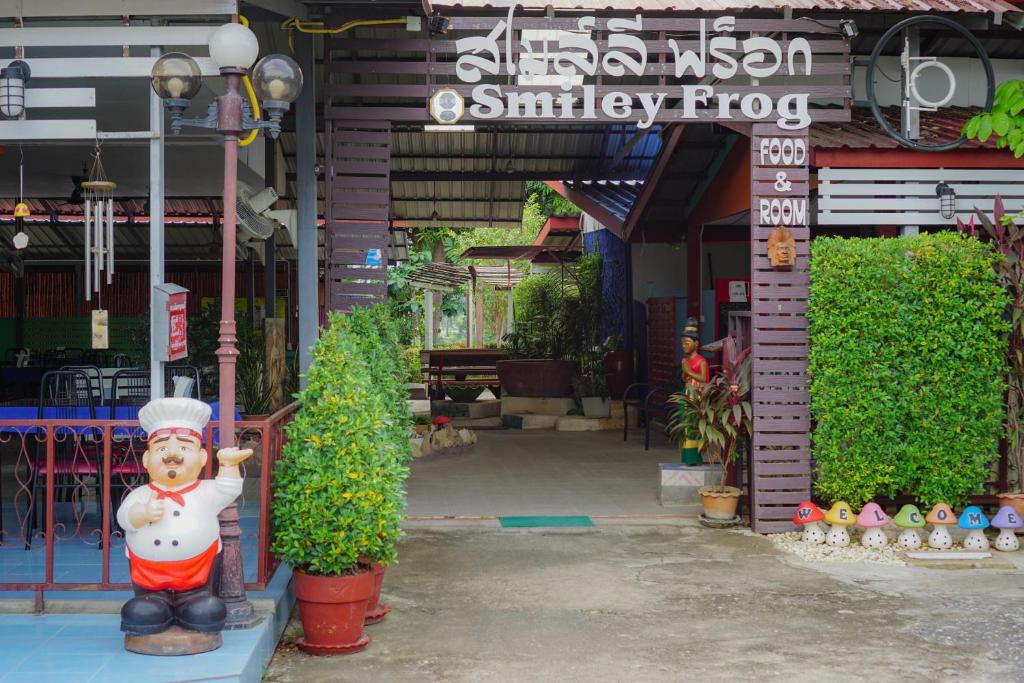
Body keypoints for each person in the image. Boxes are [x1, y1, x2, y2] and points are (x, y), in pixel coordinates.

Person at [117, 397, 253, 637]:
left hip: (196, 577)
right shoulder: (141, 494)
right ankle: (153, 605)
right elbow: (124, 517)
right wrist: (142, 514)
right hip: (148, 578)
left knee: (206, 610)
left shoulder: (206, 491)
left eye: (184, 448)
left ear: (202, 457)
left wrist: (228, 465)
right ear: (147, 460)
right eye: (161, 448)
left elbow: (229, 488)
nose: (172, 455)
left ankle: (193, 605)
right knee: (141, 612)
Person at [679, 317, 709, 466]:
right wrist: (685, 372)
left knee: (694, 428)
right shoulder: (685, 360)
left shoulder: (701, 361)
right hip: (687, 395)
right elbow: (684, 378)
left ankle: (695, 458)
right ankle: (686, 457)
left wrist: (689, 371)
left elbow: (703, 379)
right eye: (682, 343)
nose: (684, 346)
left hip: (696, 397)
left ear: (696, 344)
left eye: (687, 343)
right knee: (685, 427)